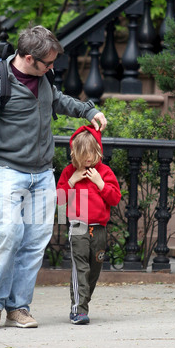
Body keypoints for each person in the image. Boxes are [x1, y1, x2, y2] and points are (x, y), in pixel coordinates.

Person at [0, 25, 108, 329]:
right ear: (29, 58)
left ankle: (19, 306)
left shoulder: (43, 79)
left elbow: (57, 99)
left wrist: (86, 110)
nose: (53, 67)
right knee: (9, 232)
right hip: (7, 170)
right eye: (49, 63)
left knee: (36, 240)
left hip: (42, 172)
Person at [57, 125, 121, 325]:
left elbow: (115, 198)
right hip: (78, 226)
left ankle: (83, 301)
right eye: (84, 154)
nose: (88, 159)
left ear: (98, 151)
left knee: (94, 268)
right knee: (80, 267)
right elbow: (59, 200)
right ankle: (78, 309)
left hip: (99, 228)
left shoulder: (104, 172)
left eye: (92, 153)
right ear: (74, 153)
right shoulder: (69, 172)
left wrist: (100, 183)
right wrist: (72, 182)